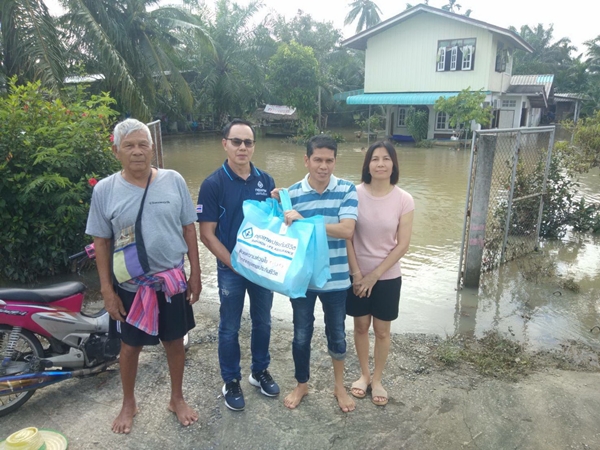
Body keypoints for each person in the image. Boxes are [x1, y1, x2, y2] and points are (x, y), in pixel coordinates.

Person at [86, 118, 201, 433]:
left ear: (153, 149)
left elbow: (189, 229)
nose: (137, 152)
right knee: (129, 346)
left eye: (143, 145)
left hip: (171, 281)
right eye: (129, 146)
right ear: (116, 151)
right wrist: (107, 291)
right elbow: (101, 242)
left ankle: (176, 398)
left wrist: (195, 273)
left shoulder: (174, 180)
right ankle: (128, 403)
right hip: (130, 285)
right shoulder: (105, 190)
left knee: (174, 342)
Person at [196, 118, 279, 411]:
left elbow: (273, 226)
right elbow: (206, 234)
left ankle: (260, 371)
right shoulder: (213, 184)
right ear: (225, 144)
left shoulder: (266, 181)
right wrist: (234, 263)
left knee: (263, 321)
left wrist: (284, 206)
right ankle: (231, 380)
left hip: (261, 269)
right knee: (229, 325)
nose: (242, 147)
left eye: (248, 142)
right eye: (236, 141)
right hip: (230, 268)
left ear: (254, 146)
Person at [279, 135, 358, 412]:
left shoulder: (347, 189)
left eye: (329, 160)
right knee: (301, 334)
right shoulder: (292, 194)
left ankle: (339, 386)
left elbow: (347, 230)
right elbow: (282, 233)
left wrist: (307, 222)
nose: (323, 166)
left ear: (335, 161)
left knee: (337, 334)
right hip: (303, 280)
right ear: (306, 160)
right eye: (318, 160)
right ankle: (302, 384)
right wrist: (276, 202)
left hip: (337, 278)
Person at [346, 140, 414, 406]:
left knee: (382, 331)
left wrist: (374, 276)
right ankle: (364, 375)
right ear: (368, 164)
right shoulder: (353, 194)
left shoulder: (404, 199)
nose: (381, 164)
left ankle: (377, 379)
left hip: (387, 276)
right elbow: (348, 237)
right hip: (357, 273)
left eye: (386, 159)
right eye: (375, 159)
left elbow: (403, 244)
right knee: (361, 326)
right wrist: (357, 274)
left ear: (393, 164)